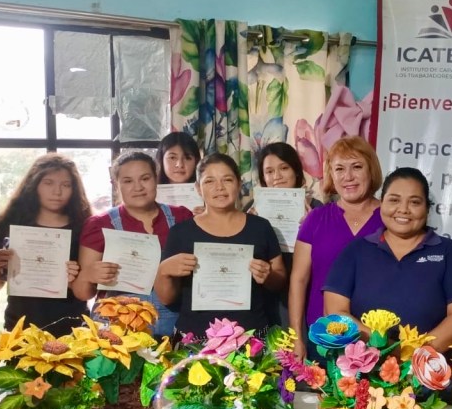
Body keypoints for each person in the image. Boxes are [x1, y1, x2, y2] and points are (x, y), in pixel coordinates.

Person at [324, 167, 452, 352]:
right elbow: (334, 311)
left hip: (427, 371)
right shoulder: (355, 251)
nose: (404, 209)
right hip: (363, 368)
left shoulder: (450, 252)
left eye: (415, 202)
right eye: (394, 200)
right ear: (381, 204)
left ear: (427, 209)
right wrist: (381, 349)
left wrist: (415, 358)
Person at [155, 152, 286, 339]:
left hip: (251, 337)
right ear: (198, 188)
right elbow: (167, 298)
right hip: (195, 338)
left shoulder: (260, 227)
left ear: (239, 183)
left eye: (227, 180)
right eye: (209, 181)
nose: (219, 188)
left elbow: (280, 280)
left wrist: (268, 275)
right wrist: (164, 270)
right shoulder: (181, 232)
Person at [75, 151, 193, 338]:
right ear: (116, 185)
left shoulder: (182, 217)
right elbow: (83, 292)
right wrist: (90, 274)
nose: (138, 187)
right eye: (128, 181)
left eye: (145, 178)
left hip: (173, 326)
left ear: (156, 179)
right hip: (117, 331)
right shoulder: (99, 224)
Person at [289, 136, 383, 359]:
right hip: (323, 339)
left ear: (371, 170)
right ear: (331, 174)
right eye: (339, 169)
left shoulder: (391, 217)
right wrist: (296, 339)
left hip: (377, 339)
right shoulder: (316, 219)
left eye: (357, 167)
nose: (348, 177)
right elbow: (298, 280)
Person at [0, 153, 92, 336]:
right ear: (34, 184)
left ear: (74, 189)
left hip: (74, 330)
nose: (57, 192)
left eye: (66, 185)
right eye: (48, 183)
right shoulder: (8, 224)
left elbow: (88, 289)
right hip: (21, 329)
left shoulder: (85, 227)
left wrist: (75, 279)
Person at [243, 142, 322, 325]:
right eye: (269, 171)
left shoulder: (316, 209)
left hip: (305, 291)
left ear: (296, 171)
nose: (277, 176)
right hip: (266, 295)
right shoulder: (251, 209)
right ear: (263, 177)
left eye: (284, 168)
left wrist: (314, 227)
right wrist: (247, 227)